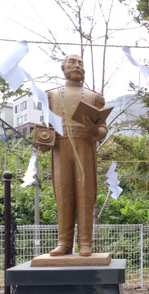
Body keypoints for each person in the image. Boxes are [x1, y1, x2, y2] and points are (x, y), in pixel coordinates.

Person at [40, 54, 107, 256]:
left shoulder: (93, 97)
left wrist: (95, 131)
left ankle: (85, 243)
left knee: (86, 194)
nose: (77, 66)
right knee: (63, 195)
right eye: (72, 62)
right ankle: (64, 242)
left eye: (80, 63)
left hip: (84, 146)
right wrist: (42, 140)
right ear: (63, 67)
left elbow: (103, 129)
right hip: (61, 147)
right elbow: (44, 127)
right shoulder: (50, 95)